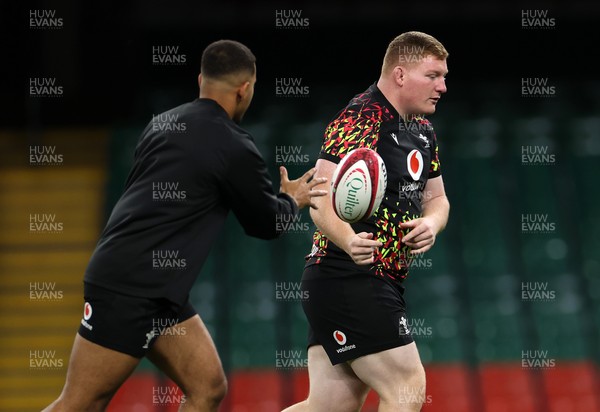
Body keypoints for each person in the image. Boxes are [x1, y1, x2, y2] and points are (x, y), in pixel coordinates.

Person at [43, 39, 327, 412]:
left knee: (208, 387)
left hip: (156, 288)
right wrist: (293, 199)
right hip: (130, 287)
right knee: (80, 403)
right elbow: (266, 224)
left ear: (200, 80)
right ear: (245, 89)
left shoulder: (162, 123)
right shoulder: (234, 144)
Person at [283, 31, 450, 412]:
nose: (442, 86)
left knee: (327, 407)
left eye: (444, 76)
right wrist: (348, 239)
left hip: (366, 281)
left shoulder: (423, 132)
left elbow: (438, 199)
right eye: (433, 75)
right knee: (407, 384)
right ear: (401, 74)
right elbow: (318, 200)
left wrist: (432, 223)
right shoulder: (360, 117)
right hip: (348, 275)